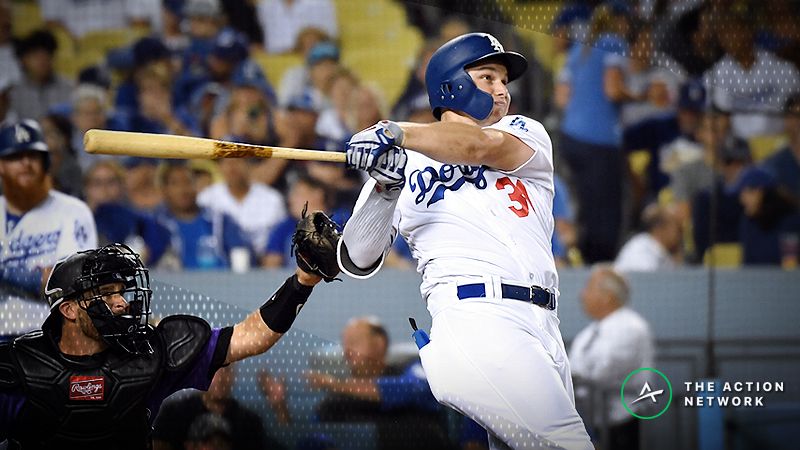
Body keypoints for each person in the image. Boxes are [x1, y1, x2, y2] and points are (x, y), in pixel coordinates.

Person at [337, 32, 592, 449]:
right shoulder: (404, 160)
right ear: (452, 83)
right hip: (477, 319)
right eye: (488, 77)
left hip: (543, 324)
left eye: (503, 81)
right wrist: (385, 187)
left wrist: (395, 130)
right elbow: (357, 259)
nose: (502, 91)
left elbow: (472, 146)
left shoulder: (522, 133)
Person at [0, 209, 340, 446]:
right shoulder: (17, 365)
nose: (121, 303)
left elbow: (250, 338)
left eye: (121, 292)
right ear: (69, 308)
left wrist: (303, 279)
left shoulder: (151, 353)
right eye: (105, 294)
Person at [0, 120, 97, 339]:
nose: (26, 163)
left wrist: (6, 271)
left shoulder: (72, 211)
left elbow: (69, 282)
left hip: (48, 337)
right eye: (15, 157)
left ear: (46, 163)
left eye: (33, 156)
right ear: (1, 165)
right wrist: (34, 274)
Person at [555, 2, 634, 263]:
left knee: (588, 207)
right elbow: (613, 90)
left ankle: (583, 258)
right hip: (599, 140)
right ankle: (601, 265)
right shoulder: (613, 42)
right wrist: (644, 95)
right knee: (607, 210)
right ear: (619, 21)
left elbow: (562, 98)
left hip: (571, 138)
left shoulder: (578, 48)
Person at [305, 317, 453, 450]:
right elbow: (310, 434)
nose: (347, 351)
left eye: (354, 343)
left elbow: (415, 389)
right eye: (344, 345)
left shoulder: (412, 368)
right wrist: (282, 409)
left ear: (379, 343)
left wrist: (335, 384)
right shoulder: (337, 399)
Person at [569, 265, 655, 450]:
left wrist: (577, 378)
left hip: (623, 421)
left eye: (588, 288)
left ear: (607, 296)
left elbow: (601, 373)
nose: (582, 295)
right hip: (592, 420)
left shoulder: (632, 327)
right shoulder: (587, 333)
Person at [152, 363, 285, 450]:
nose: (221, 378)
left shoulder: (249, 422)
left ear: (233, 376)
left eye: (226, 370)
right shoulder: (174, 414)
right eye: (214, 370)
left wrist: (279, 407)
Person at [733, 166, 800, 266]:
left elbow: (790, 263)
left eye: (746, 192)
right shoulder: (748, 222)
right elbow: (747, 264)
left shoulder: (790, 222)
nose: (742, 199)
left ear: (761, 192)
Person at [614, 203, 683, 272]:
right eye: (678, 228)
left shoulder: (664, 253)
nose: (680, 234)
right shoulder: (641, 249)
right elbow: (646, 281)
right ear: (659, 229)